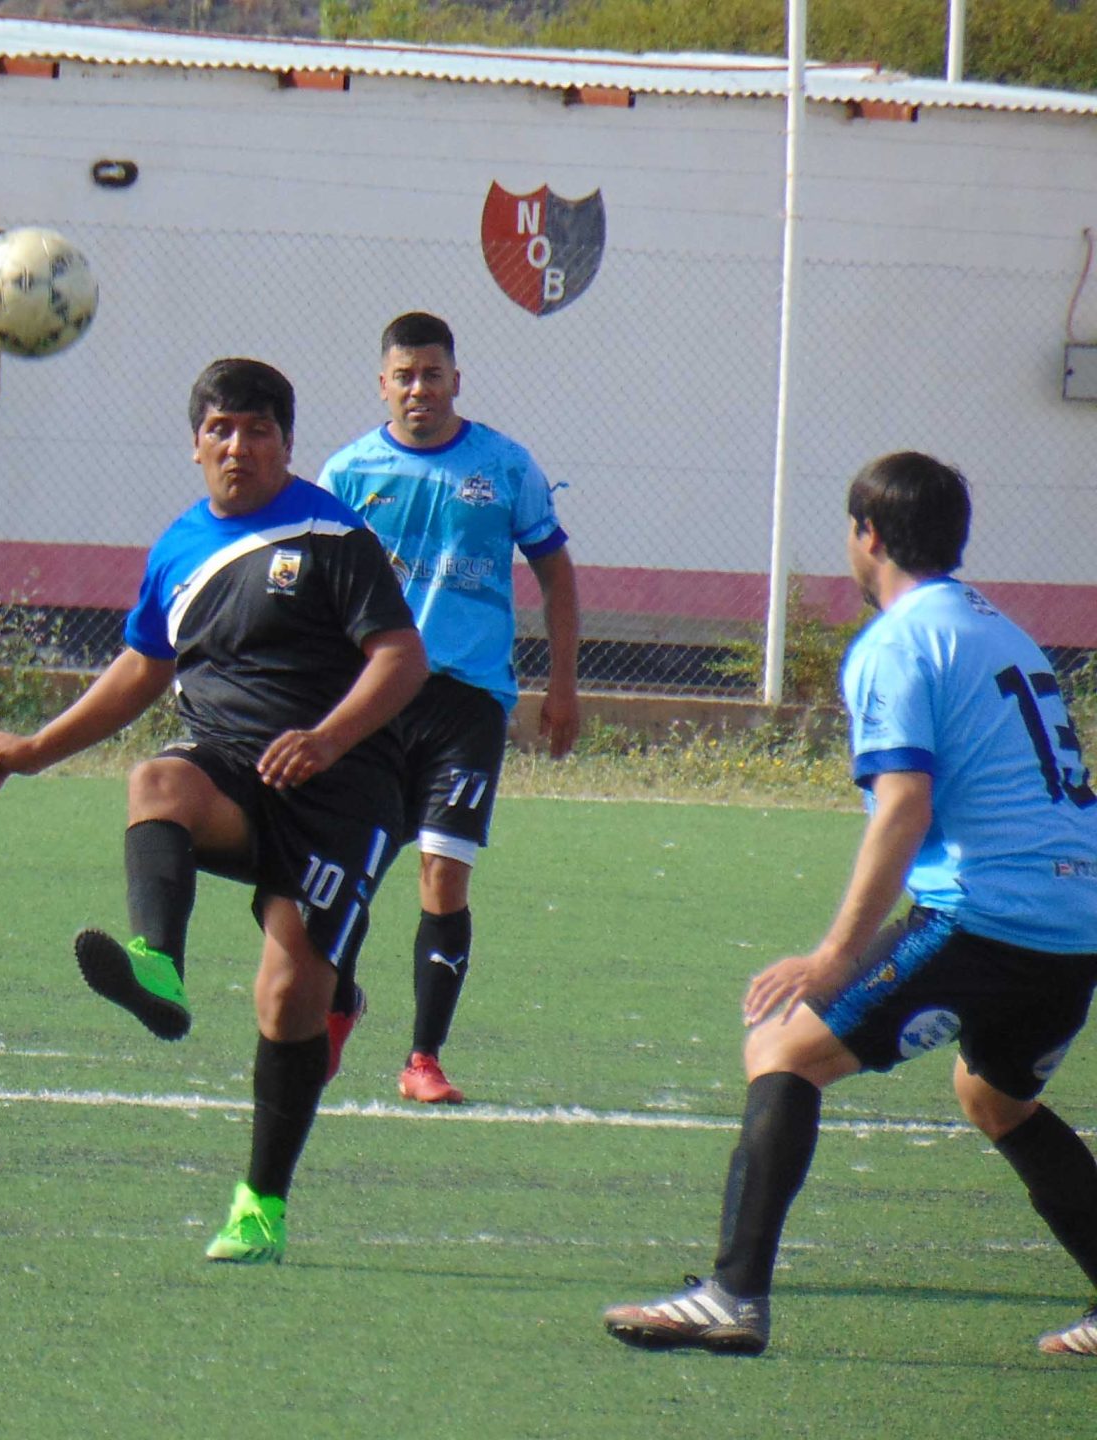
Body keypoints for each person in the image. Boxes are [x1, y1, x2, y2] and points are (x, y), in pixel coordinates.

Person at [603, 452, 1097, 1358]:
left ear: (867, 536)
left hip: (987, 915)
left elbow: (905, 806)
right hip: (1076, 927)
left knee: (783, 1046)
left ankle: (734, 1295)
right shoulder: (1003, 631)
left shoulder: (901, 641)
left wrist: (834, 955)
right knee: (996, 1100)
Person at [0, 357, 427, 1264]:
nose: (239, 446)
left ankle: (261, 1204)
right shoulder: (179, 547)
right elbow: (142, 670)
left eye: (258, 430)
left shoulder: (334, 536)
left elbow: (401, 660)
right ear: (194, 444)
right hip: (230, 769)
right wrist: (34, 750)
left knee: (288, 996)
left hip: (341, 787)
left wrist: (328, 739)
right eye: (221, 429)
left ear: (286, 444)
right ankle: (159, 968)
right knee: (156, 784)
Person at [313, 311, 581, 1104]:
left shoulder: (504, 466)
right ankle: (338, 1008)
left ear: (456, 379)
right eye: (404, 376)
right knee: (346, 877)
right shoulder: (349, 473)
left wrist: (562, 683)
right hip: (372, 700)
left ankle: (423, 1057)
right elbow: (314, 589)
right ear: (383, 384)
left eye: (433, 374)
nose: (419, 390)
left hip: (467, 703)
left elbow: (555, 575)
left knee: (443, 878)